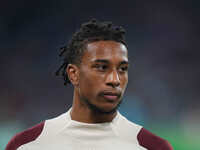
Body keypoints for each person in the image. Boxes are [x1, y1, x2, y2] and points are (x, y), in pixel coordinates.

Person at [6, 19, 173, 150]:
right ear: (74, 74)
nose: (114, 79)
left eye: (122, 69)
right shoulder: (27, 145)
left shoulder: (153, 147)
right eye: (101, 67)